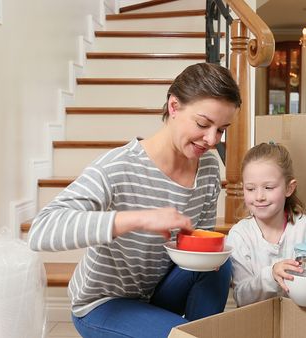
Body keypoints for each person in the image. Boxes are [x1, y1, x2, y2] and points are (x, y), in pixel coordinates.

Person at [27, 62, 241, 338]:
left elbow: (198, 247)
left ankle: (198, 333)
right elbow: (41, 230)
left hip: (157, 291)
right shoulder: (119, 167)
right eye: (203, 124)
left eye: (221, 130)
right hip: (104, 303)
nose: (212, 140)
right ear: (173, 107)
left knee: (217, 263)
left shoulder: (209, 166)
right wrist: (138, 218)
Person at [226, 142, 306, 307]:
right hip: (256, 323)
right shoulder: (239, 235)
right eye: (250, 189)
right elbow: (242, 297)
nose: (259, 196)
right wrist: (272, 275)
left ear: (289, 188)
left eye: (268, 187)